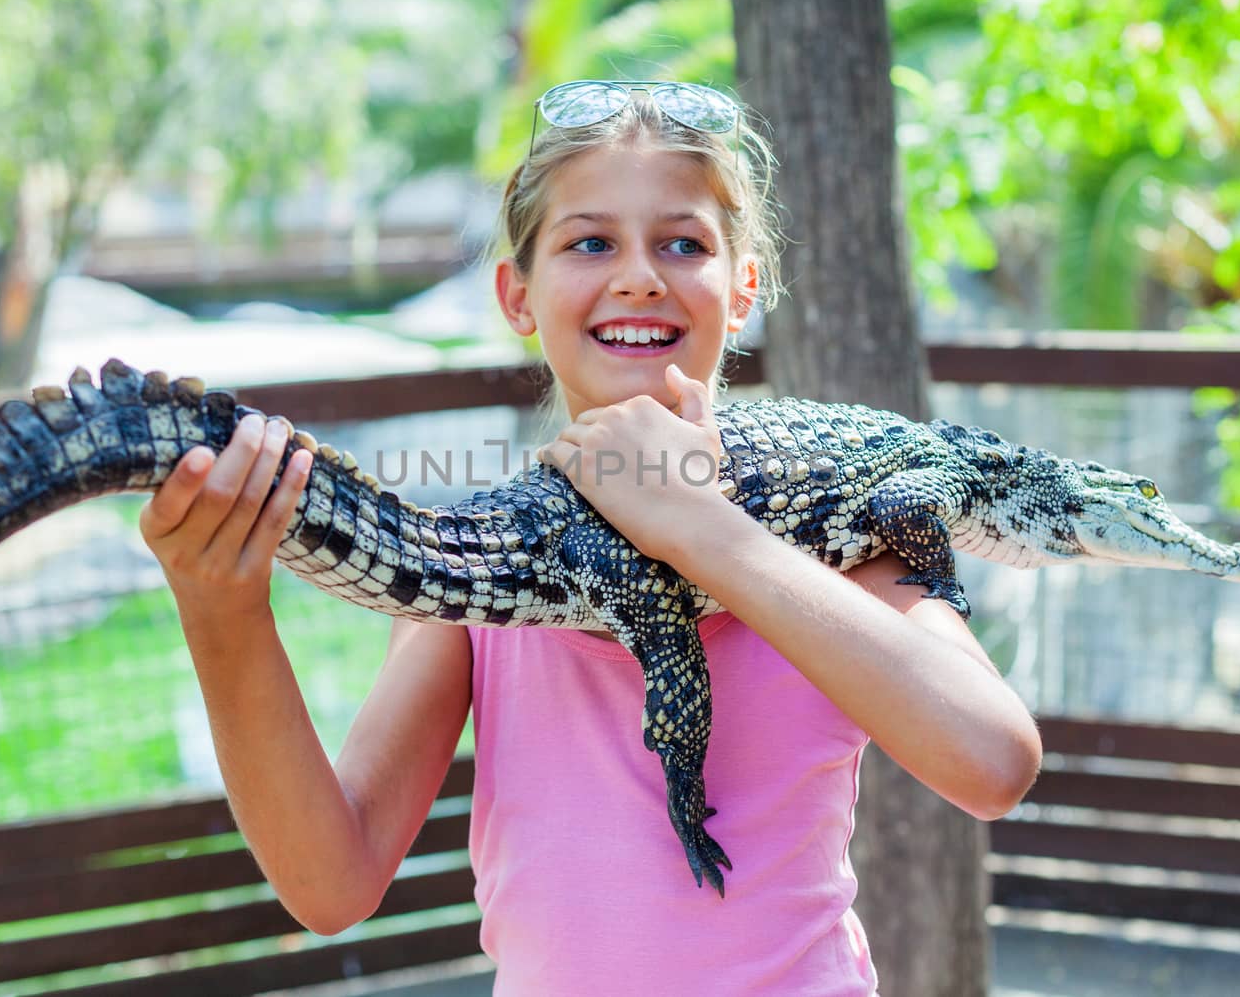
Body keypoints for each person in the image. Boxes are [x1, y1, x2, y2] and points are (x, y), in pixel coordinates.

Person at [139, 81, 1042, 995]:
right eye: (590, 242)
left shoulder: (847, 537)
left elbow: (994, 761)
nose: (639, 274)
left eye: (683, 243)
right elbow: (331, 882)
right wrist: (223, 612)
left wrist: (699, 525)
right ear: (517, 294)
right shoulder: (475, 556)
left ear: (743, 290)